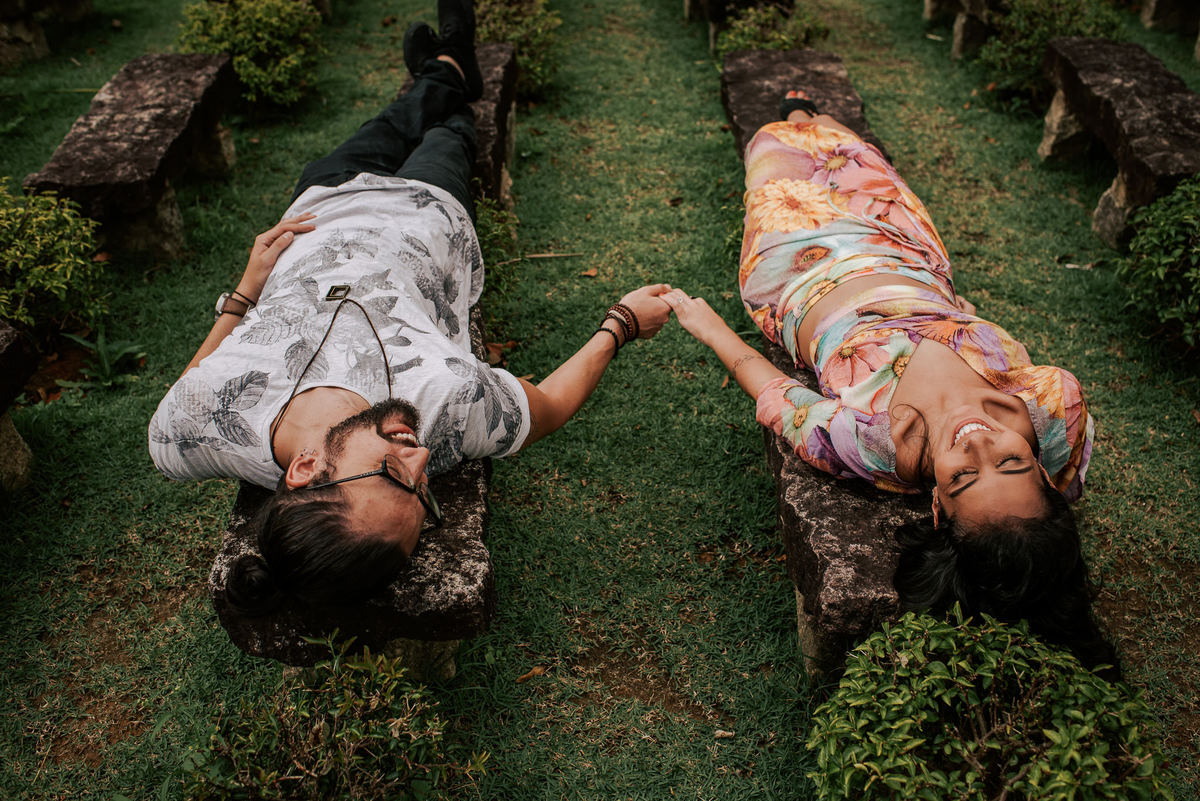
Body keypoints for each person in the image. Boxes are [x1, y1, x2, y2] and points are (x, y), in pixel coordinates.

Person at [148, 0, 671, 616]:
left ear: (307, 468)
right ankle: (451, 64)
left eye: (396, 474)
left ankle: (443, 65)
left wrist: (244, 293)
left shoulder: (194, 433)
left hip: (319, 205)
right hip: (430, 210)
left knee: (395, 117)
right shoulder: (446, 406)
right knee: (451, 130)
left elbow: (189, 384)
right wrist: (623, 324)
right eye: (425, 494)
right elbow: (550, 407)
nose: (422, 458)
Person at [663, 92, 1114, 671]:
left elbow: (780, 399)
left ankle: (794, 113)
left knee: (771, 141)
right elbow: (1068, 465)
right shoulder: (1053, 407)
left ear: (936, 507)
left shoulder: (874, 443)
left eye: (963, 477)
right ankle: (810, 111)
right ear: (1044, 472)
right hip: (905, 251)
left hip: (799, 260)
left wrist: (710, 327)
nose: (976, 444)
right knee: (843, 142)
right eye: (1011, 463)